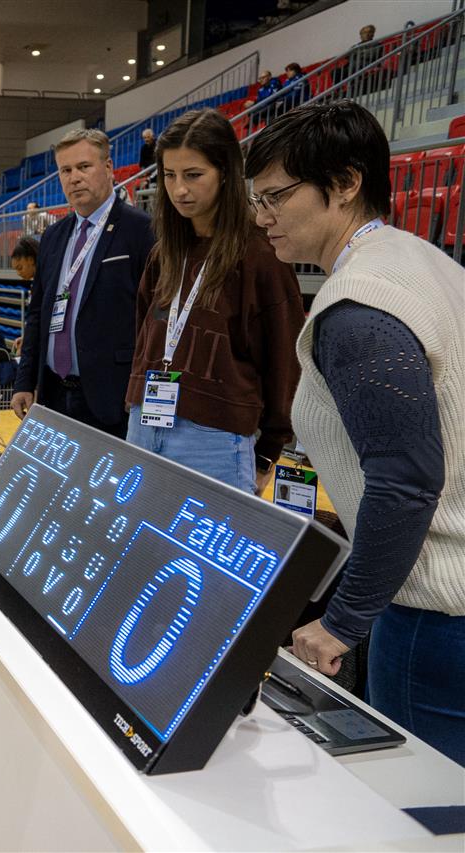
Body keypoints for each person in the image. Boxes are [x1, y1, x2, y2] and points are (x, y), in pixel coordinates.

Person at [246, 101, 463, 765]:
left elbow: (406, 481)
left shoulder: (361, 308)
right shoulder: (421, 260)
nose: (261, 216)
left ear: (344, 183)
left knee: (423, 807)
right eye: (256, 199)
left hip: (435, 617)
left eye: (276, 197)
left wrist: (344, 620)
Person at [124, 109, 304, 494]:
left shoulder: (261, 256)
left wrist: (269, 450)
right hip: (143, 423)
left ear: (225, 172)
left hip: (215, 439)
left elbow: (284, 359)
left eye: (193, 175)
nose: (179, 190)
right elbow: (142, 338)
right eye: (169, 175)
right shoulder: (164, 255)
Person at [12, 128, 155, 438]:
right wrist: (25, 381)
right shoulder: (53, 236)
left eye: (83, 167)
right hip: (53, 393)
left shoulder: (141, 230)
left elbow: (154, 319)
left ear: (108, 167)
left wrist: (141, 390)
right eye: (66, 170)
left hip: (113, 398)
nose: (74, 178)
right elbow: (37, 314)